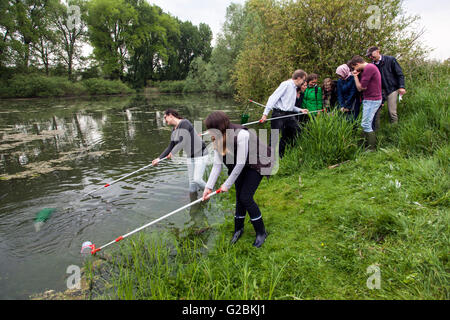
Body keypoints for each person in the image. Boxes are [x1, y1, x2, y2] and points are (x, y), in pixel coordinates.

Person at [202, 111, 273, 248]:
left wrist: (227, 184)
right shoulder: (217, 138)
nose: (209, 132)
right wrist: (208, 187)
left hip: (257, 162)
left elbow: (240, 162)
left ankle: (261, 232)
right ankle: (238, 229)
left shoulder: (242, 134)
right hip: (242, 164)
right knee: (239, 197)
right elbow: (217, 165)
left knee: (246, 197)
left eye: (211, 129)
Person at [152, 109, 209, 196]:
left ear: (171, 115)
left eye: (165, 117)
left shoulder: (185, 123)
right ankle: (193, 203)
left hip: (200, 154)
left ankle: (209, 192)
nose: (164, 119)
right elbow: (170, 146)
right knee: (192, 184)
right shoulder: (174, 130)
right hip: (190, 156)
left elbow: (184, 140)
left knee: (197, 179)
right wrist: (159, 159)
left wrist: (174, 152)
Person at [260, 70, 309, 158]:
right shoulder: (286, 84)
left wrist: (300, 110)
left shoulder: (294, 88)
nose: (303, 82)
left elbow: (289, 106)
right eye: (303, 80)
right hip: (278, 114)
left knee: (297, 130)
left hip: (289, 115)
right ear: (298, 78)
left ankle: (281, 155)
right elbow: (273, 98)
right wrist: (265, 114)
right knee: (274, 137)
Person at [366, 46, 406, 127]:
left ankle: (394, 129)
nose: (370, 57)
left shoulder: (390, 60)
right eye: (369, 56)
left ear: (378, 51)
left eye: (371, 55)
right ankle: (376, 131)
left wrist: (401, 86)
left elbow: (399, 74)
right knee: (376, 111)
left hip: (392, 89)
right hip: (379, 91)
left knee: (392, 112)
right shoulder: (371, 66)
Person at [348, 55, 382, 151]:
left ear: (357, 64)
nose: (354, 70)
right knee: (365, 123)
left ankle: (371, 149)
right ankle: (364, 145)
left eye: (354, 68)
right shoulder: (370, 68)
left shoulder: (369, 68)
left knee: (366, 124)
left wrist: (355, 77)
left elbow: (361, 88)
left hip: (372, 99)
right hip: (370, 99)